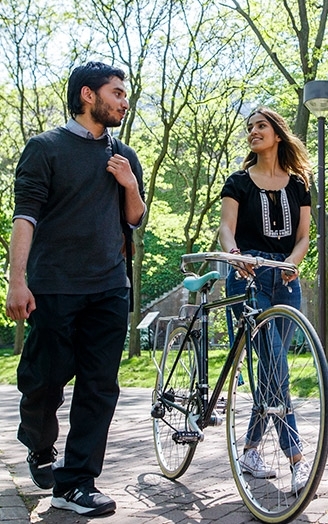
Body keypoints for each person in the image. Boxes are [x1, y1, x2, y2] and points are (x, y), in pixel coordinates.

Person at [5, 61, 146, 517]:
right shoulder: (44, 148)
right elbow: (25, 217)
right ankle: (40, 445)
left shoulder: (124, 155)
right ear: (89, 95)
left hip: (109, 286)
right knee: (44, 382)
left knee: (100, 385)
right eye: (117, 92)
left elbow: (134, 217)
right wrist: (17, 280)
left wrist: (129, 183)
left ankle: (77, 481)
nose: (124, 101)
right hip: (54, 286)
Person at [219, 107, 312, 495]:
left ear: (277, 133)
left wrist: (291, 262)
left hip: (286, 280)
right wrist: (235, 254)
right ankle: (297, 458)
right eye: (250, 127)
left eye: (261, 126)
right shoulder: (237, 182)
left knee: (273, 371)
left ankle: (250, 451)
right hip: (248, 277)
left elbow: (304, 237)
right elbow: (225, 228)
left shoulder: (299, 184)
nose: (253, 132)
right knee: (276, 365)